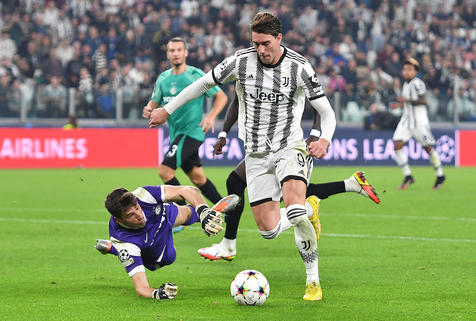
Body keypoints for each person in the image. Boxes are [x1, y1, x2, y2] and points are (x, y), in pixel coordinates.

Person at [149, 12, 337, 301]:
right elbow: (203, 85)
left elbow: (326, 112)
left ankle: (313, 281)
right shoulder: (241, 61)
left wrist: (324, 138)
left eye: (265, 43)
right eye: (255, 43)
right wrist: (167, 109)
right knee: (269, 230)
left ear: (278, 38)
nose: (260, 50)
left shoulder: (300, 68)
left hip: (290, 146)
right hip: (256, 155)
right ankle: (313, 206)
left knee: (294, 207)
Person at [197, 93, 380, 263]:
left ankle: (320, 202)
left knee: (291, 196)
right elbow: (238, 100)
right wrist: (223, 134)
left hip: (289, 146)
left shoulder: (292, 67)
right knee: (236, 181)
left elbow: (320, 104)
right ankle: (350, 185)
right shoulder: (249, 68)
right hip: (262, 147)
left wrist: (316, 135)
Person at [95, 184, 235, 300]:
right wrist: (156, 293)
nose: (139, 216)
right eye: (130, 215)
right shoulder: (122, 240)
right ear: (118, 220)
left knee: (188, 213)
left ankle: (206, 215)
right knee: (169, 257)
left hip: (162, 216)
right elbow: (141, 288)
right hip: (148, 247)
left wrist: (203, 210)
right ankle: (112, 248)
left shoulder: (144, 195)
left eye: (137, 208)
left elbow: (187, 190)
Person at [142, 37, 228, 205]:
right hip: (177, 134)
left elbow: (221, 96)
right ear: (167, 53)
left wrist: (211, 116)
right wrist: (149, 107)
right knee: (198, 178)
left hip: (191, 132)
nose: (175, 54)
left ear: (186, 52)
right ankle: (226, 208)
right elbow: (155, 100)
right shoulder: (163, 78)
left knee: (165, 172)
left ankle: (183, 212)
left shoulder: (195, 75)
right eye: (172, 50)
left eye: (179, 50)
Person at [389, 58, 445, 190]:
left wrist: (406, 100)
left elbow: (424, 101)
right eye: (405, 69)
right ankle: (408, 176)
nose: (406, 72)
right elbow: (408, 102)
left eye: (409, 69)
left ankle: (440, 174)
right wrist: (399, 105)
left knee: (428, 148)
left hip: (419, 122)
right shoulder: (405, 84)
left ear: (415, 71)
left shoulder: (418, 83)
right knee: (397, 144)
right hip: (406, 121)